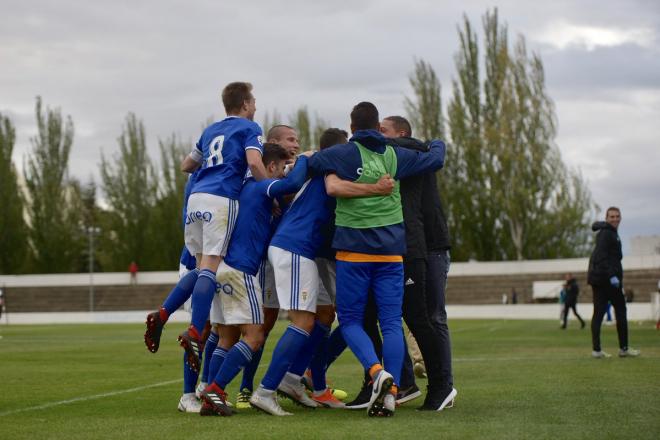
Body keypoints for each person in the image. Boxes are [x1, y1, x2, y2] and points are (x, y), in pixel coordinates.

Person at [307, 102, 446, 417]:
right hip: (392, 254)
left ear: (352, 128)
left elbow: (311, 166)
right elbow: (435, 159)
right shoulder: (395, 155)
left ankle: (375, 371)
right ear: (376, 125)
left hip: (354, 254)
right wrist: (436, 142)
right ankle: (391, 393)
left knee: (353, 321)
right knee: (392, 323)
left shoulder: (342, 154)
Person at [249, 129, 394, 416]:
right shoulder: (330, 170)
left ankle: (292, 380)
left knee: (321, 316)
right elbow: (330, 190)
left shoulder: (323, 167)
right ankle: (265, 390)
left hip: (302, 250)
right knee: (303, 321)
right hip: (294, 248)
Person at [198, 143, 310, 416]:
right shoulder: (262, 187)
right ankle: (216, 390)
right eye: (281, 167)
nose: (284, 172)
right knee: (254, 337)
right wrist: (305, 160)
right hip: (241, 269)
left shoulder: (243, 189)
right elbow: (293, 182)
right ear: (270, 166)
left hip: (222, 266)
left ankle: (208, 395)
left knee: (226, 338)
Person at [178, 82, 268, 373]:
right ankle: (194, 331)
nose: (255, 106)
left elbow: (186, 165)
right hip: (221, 197)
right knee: (211, 265)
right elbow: (254, 162)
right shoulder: (249, 128)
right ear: (244, 104)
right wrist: (268, 191)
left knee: (200, 264)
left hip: (196, 198)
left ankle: (174, 315)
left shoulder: (210, 130)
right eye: (253, 101)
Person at [587, 207, 640, 358]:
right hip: (606, 280)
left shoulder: (609, 232)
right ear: (607, 218)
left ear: (620, 217)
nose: (615, 219)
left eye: (617, 216)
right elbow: (601, 257)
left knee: (599, 313)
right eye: (612, 216)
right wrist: (612, 276)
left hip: (600, 279)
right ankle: (623, 348)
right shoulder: (606, 234)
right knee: (620, 312)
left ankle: (597, 350)